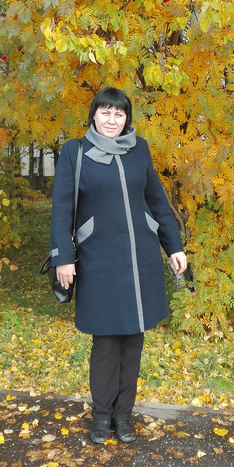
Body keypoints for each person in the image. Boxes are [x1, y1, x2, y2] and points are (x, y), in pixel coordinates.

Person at [50, 87, 187, 444]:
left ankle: (123, 417)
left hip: (140, 261)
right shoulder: (75, 152)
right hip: (98, 261)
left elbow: (157, 200)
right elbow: (61, 209)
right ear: (94, 115)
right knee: (106, 341)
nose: (112, 120)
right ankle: (101, 416)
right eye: (105, 112)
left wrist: (173, 246)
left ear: (127, 118)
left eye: (119, 114)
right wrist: (62, 257)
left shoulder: (139, 149)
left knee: (133, 340)